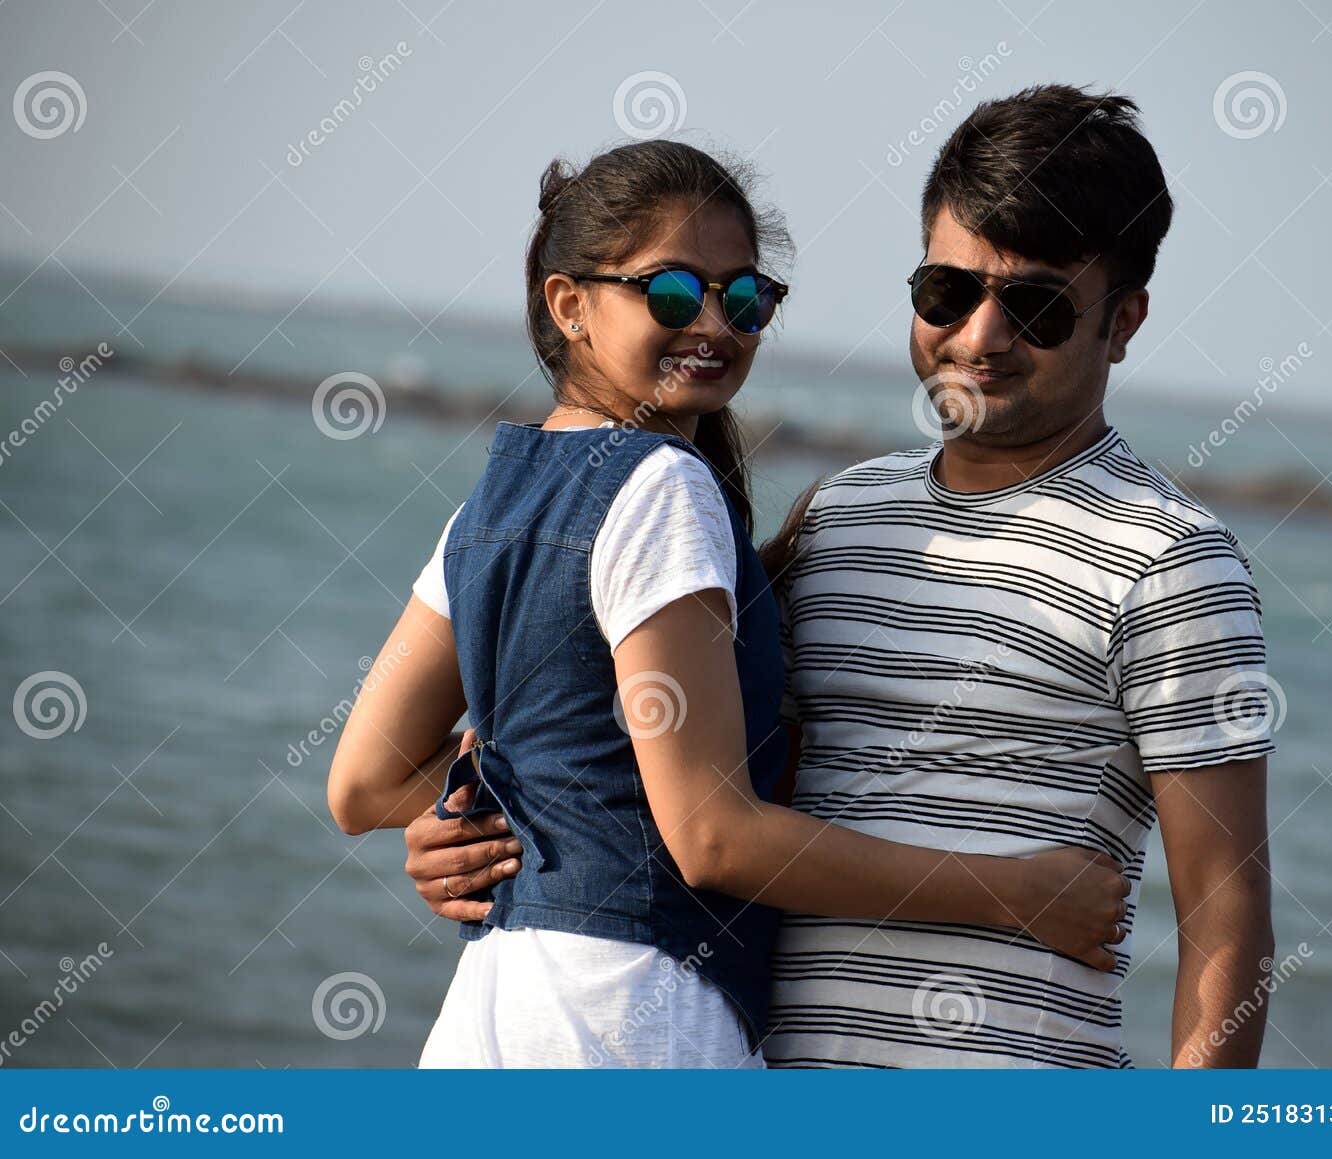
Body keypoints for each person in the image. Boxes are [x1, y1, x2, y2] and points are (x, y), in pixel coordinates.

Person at [403, 87, 1277, 1069]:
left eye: (1033, 307)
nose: (979, 337)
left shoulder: (1171, 559)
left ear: (1122, 321)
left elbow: (1225, 912)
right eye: (947, 293)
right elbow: (621, 724)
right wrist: (475, 820)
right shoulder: (834, 518)